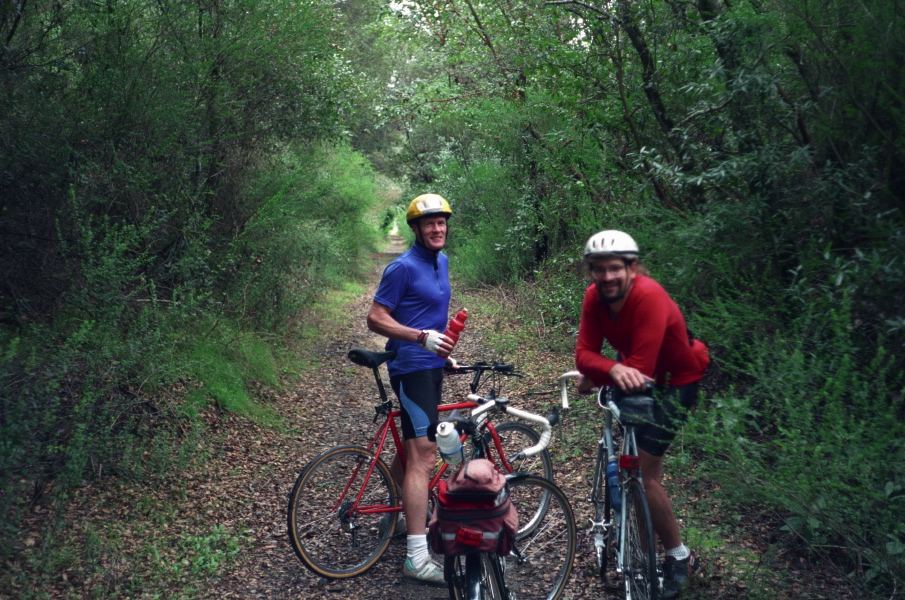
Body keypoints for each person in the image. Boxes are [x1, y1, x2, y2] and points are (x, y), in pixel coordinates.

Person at [574, 230, 710, 599]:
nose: (607, 277)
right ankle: (637, 545)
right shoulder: (594, 298)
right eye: (598, 270)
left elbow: (642, 367)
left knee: (645, 473)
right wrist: (608, 369)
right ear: (590, 272)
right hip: (632, 371)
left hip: (674, 381)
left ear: (632, 268)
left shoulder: (649, 295)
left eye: (615, 268)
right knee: (629, 461)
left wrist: (601, 371)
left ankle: (679, 557)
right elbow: (583, 353)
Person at [366, 193, 456, 587]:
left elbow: (431, 314)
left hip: (430, 367)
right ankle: (417, 557)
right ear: (416, 229)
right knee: (424, 455)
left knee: (410, 448)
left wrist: (442, 354)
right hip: (409, 368)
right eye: (429, 224)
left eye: (442, 223)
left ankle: (396, 516)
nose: (437, 229)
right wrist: (420, 339)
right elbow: (375, 318)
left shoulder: (442, 261)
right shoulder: (401, 267)